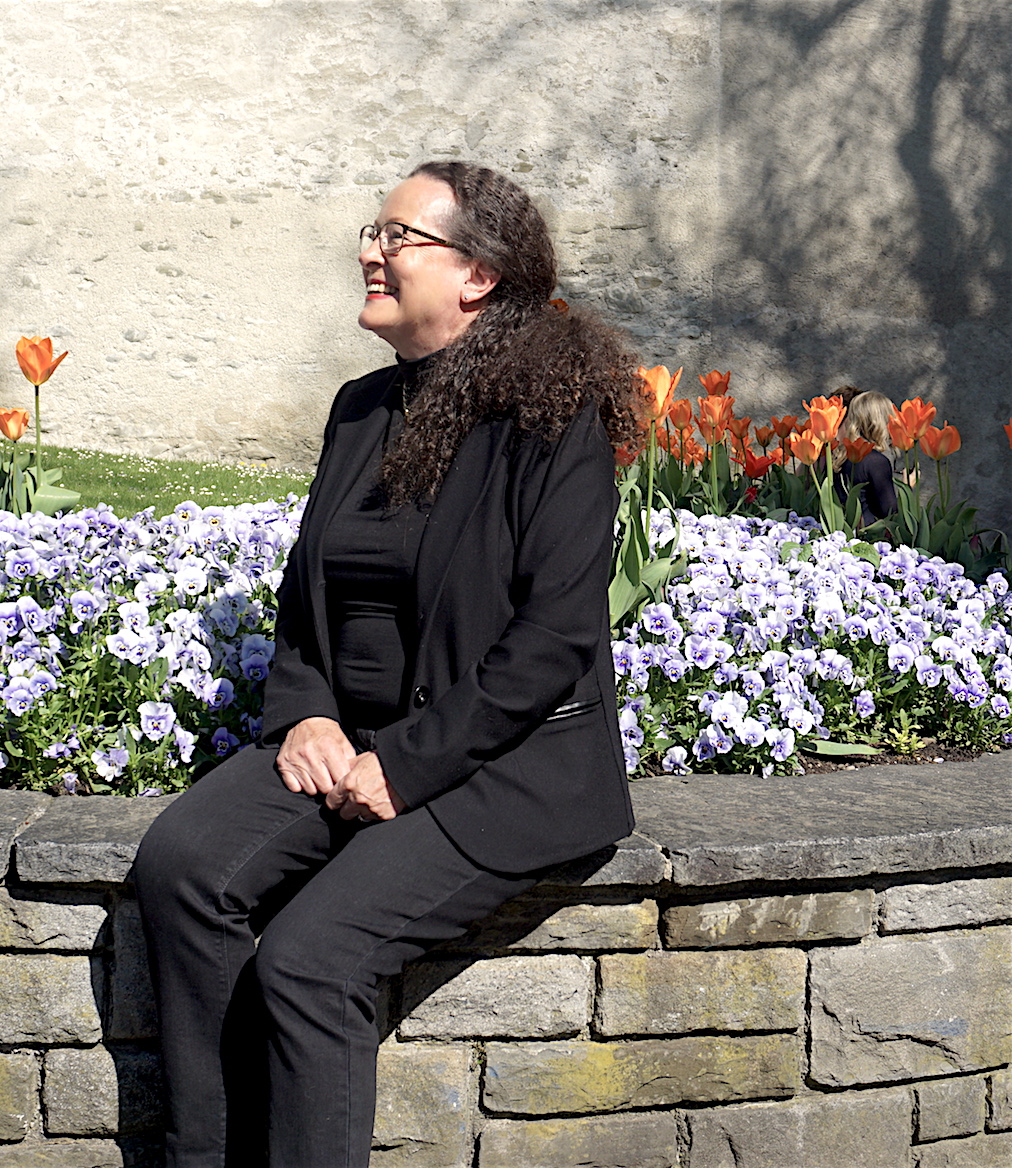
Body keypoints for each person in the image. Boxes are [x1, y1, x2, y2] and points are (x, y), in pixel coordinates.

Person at [130, 161, 644, 1168]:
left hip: (503, 768)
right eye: (376, 230)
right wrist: (308, 712)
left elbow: (553, 638)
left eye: (400, 236)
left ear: (478, 276)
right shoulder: (361, 409)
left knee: (311, 961)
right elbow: (307, 600)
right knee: (184, 865)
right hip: (350, 741)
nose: (371, 248)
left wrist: (407, 765)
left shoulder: (551, 417)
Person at [835, 390, 899, 523]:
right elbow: (889, 511)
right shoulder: (876, 461)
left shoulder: (841, 455)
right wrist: (907, 488)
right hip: (869, 535)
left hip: (840, 531)